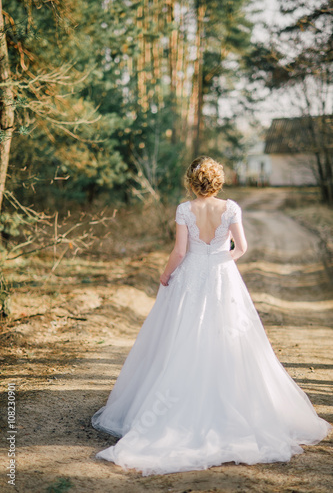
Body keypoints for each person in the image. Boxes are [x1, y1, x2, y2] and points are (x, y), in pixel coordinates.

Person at [91, 156, 331, 476]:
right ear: (217, 180)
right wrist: (222, 260)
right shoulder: (231, 208)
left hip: (190, 275)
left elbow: (179, 252)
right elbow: (242, 247)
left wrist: (165, 275)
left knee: (183, 333)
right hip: (222, 275)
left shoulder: (184, 209)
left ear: (191, 181)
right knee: (227, 334)